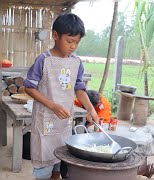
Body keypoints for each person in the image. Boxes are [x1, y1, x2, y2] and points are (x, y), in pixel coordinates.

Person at [23, 13, 99, 180]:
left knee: (59, 163)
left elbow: (79, 88)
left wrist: (90, 108)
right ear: (55, 36)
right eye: (70, 41)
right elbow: (28, 87)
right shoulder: (44, 60)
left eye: (77, 42)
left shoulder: (76, 62)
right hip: (44, 123)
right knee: (44, 170)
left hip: (64, 124)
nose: (73, 46)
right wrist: (53, 106)